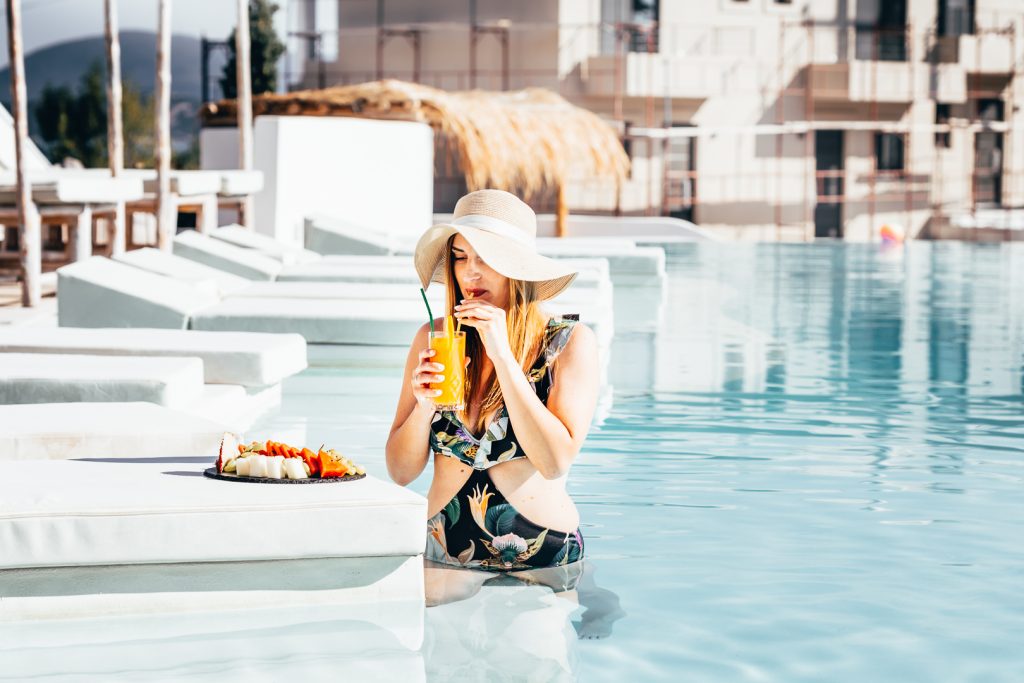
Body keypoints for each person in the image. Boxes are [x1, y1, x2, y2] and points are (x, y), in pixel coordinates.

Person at [386, 189, 600, 574]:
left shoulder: (567, 343)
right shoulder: (434, 338)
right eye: (460, 257)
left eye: (485, 257)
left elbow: (553, 463)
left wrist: (503, 356)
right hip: (444, 549)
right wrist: (423, 407)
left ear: (516, 267)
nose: (470, 272)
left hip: (543, 555)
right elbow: (400, 473)